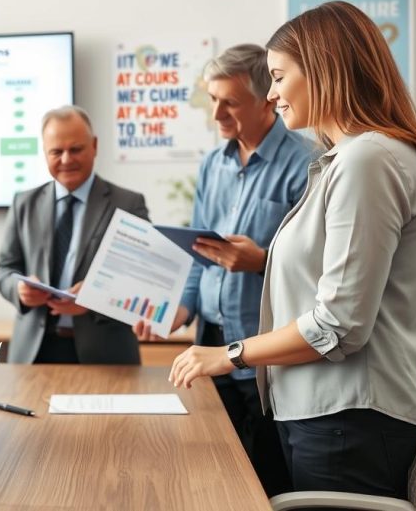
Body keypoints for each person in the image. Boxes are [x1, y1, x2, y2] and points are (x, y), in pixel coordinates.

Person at [170, 1, 416, 499]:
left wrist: (229, 355)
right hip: (321, 415)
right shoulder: (345, 161)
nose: (271, 93)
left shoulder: (368, 161)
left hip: (345, 420)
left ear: (321, 71)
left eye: (276, 76)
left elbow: (339, 325)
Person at [134, 44, 313, 495]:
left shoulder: (305, 163)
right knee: (217, 467)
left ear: (266, 99)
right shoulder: (213, 164)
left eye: (229, 101)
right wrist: (182, 308)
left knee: (268, 474)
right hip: (210, 339)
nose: (216, 114)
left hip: (265, 348)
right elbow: (200, 251)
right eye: (212, 99)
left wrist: (260, 261)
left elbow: (314, 269)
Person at [0, 105, 149, 364]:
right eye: (57, 151)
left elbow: (143, 277)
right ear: (45, 153)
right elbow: (4, 268)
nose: (66, 159)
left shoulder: (128, 204)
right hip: (34, 353)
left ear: (94, 146)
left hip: (105, 356)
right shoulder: (24, 203)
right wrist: (18, 289)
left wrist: (96, 298)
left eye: (75, 149)